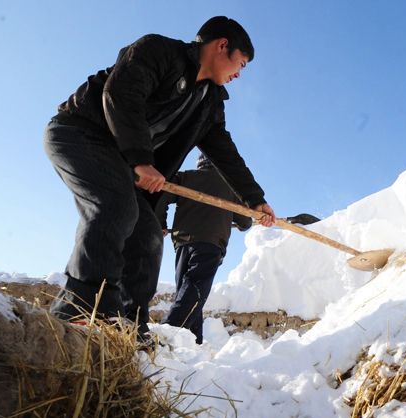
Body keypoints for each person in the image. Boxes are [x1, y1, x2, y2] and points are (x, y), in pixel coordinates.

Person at [43, 16, 275, 341]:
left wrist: (255, 200)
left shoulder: (208, 103)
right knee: (115, 206)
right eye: (241, 63)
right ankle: (81, 307)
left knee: (148, 234)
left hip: (124, 161)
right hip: (80, 132)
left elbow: (225, 153)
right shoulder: (159, 51)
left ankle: (128, 326)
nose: (238, 74)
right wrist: (141, 159)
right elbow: (121, 93)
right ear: (222, 45)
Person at [158, 154, 251, 344]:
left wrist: (160, 223)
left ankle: (192, 342)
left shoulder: (185, 177)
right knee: (195, 287)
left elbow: (161, 194)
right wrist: (242, 224)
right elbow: (245, 219)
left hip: (183, 243)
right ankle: (170, 330)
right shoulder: (230, 185)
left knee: (187, 290)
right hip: (210, 242)